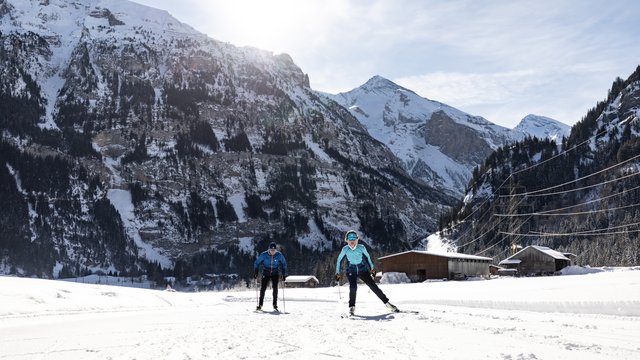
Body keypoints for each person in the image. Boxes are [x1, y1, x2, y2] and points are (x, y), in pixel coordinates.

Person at [335, 230, 398, 315]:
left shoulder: (361, 247)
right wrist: (337, 273)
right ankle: (351, 307)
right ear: (347, 240)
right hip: (351, 271)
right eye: (350, 238)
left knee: (373, 286)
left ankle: (387, 303)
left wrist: (372, 269)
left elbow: (368, 258)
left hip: (362, 270)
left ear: (357, 239)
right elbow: (339, 261)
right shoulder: (345, 249)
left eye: (354, 238)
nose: (352, 240)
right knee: (353, 287)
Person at [253, 242, 287, 311]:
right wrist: (256, 272)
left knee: (275, 289)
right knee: (263, 289)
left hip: (275, 273)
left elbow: (284, 264)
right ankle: (260, 305)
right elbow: (256, 263)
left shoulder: (279, 255)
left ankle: (275, 304)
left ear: (276, 250)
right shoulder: (264, 255)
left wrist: (284, 274)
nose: (272, 252)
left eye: (274, 250)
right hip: (266, 273)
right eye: (271, 250)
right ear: (269, 250)